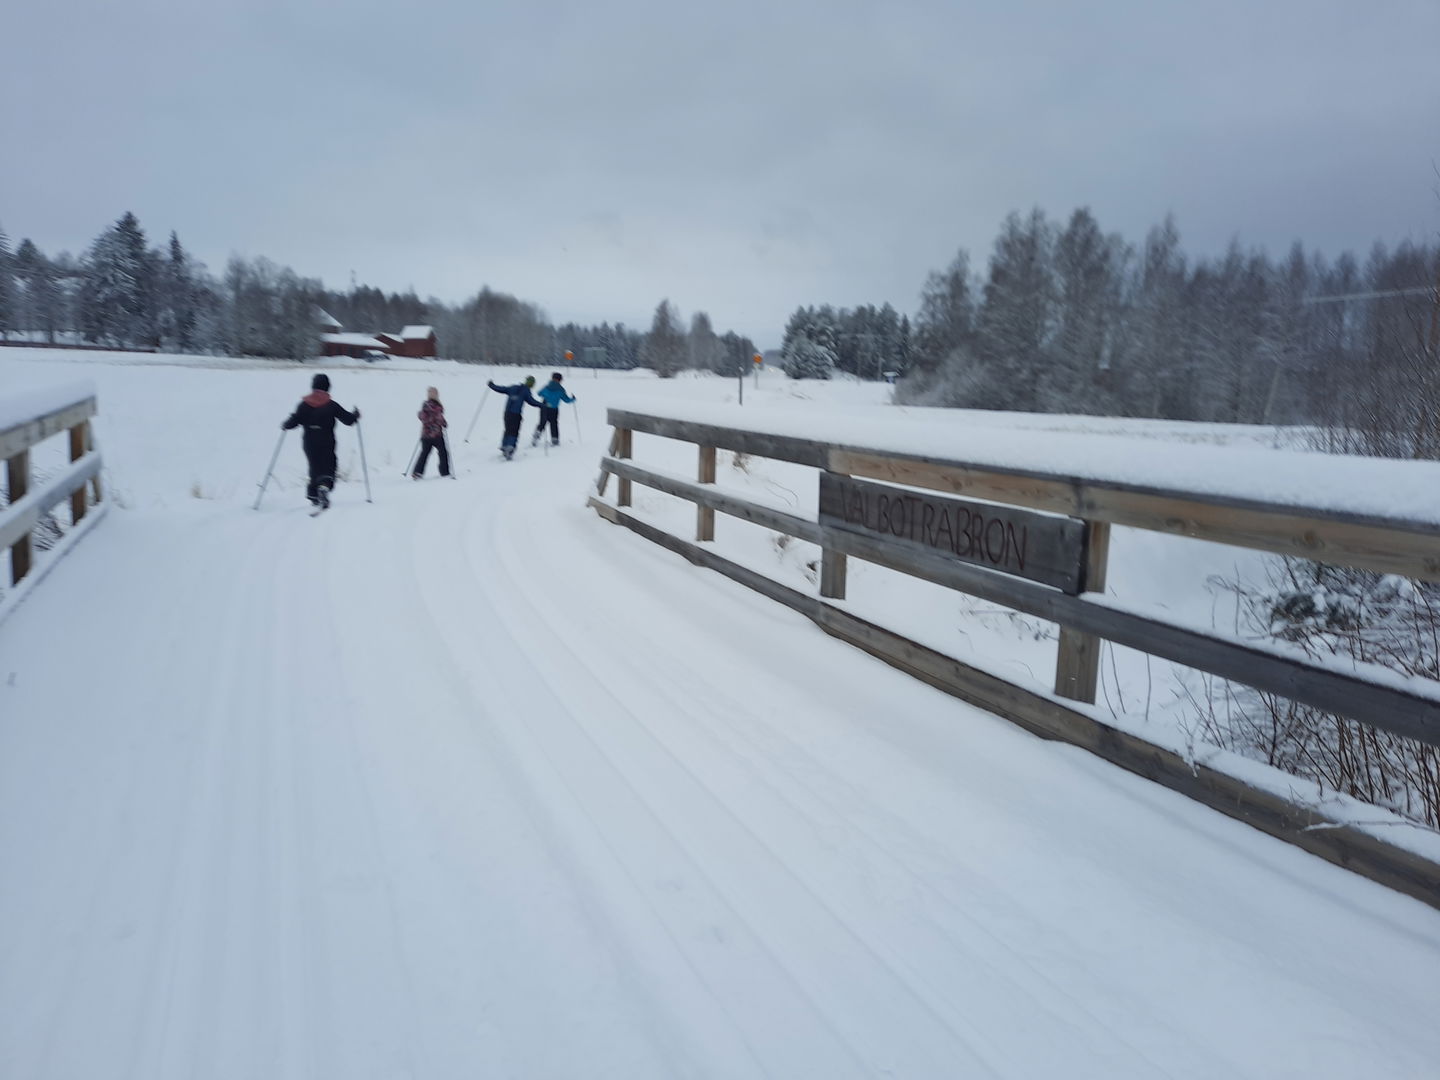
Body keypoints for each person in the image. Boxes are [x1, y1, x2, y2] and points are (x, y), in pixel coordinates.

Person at [281, 373, 359, 509]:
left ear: (313, 386)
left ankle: (313, 494)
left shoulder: (304, 405)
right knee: (329, 466)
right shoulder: (331, 405)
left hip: (309, 442)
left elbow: (293, 421)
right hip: (327, 441)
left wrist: (286, 424)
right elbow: (348, 420)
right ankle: (324, 486)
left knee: (314, 466)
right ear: (328, 387)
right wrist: (355, 415)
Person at [486, 375, 542, 459]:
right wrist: (542, 405)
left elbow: (501, 389)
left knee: (507, 429)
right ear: (531, 384)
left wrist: (491, 385)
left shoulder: (513, 387)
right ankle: (510, 448)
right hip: (516, 414)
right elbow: (531, 401)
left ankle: (504, 446)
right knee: (514, 431)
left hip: (507, 413)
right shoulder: (526, 391)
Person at [413, 386, 452, 479]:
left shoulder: (426, 405)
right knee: (442, 453)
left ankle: (417, 472)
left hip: (426, 435)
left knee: (425, 453)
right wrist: (443, 423)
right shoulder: (436, 406)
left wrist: (442, 422)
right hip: (436, 434)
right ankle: (445, 472)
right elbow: (437, 418)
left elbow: (423, 417)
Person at [531, 372, 577, 447]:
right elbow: (566, 400)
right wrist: (573, 399)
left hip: (544, 407)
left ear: (552, 378)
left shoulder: (547, 386)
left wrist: (547, 395)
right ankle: (554, 439)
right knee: (554, 424)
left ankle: (536, 437)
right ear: (559, 380)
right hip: (554, 409)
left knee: (542, 423)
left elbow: (539, 393)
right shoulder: (561, 389)